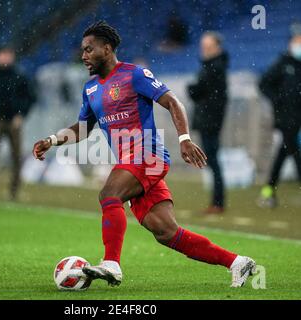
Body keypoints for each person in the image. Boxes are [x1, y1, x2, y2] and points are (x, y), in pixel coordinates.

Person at [33, 21, 256, 288]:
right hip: (132, 163)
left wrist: (184, 139)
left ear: (107, 48)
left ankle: (111, 264)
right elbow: (83, 128)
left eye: (89, 49)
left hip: (147, 155)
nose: (83, 56)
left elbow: (173, 102)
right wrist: (52, 140)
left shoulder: (134, 74)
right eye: (82, 51)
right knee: (166, 232)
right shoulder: (90, 89)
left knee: (109, 194)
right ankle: (237, 262)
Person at [0, 46, 35, 200]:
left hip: (14, 122)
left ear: (12, 57)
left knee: (17, 157)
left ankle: (14, 192)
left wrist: (21, 114)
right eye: (2, 55)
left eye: (7, 55)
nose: (4, 58)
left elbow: (30, 97)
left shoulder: (19, 76)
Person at [257, 30, 301, 208]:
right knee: (295, 150)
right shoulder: (283, 63)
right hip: (286, 118)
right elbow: (264, 83)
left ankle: (268, 190)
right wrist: (278, 100)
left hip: (298, 117)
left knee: (284, 151)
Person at [187, 31, 228, 214]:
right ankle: (217, 201)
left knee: (213, 161)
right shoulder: (215, 66)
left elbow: (198, 90)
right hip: (210, 120)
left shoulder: (214, 67)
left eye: (208, 46)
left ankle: (218, 202)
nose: (204, 50)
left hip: (209, 121)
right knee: (212, 161)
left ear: (217, 48)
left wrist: (192, 88)